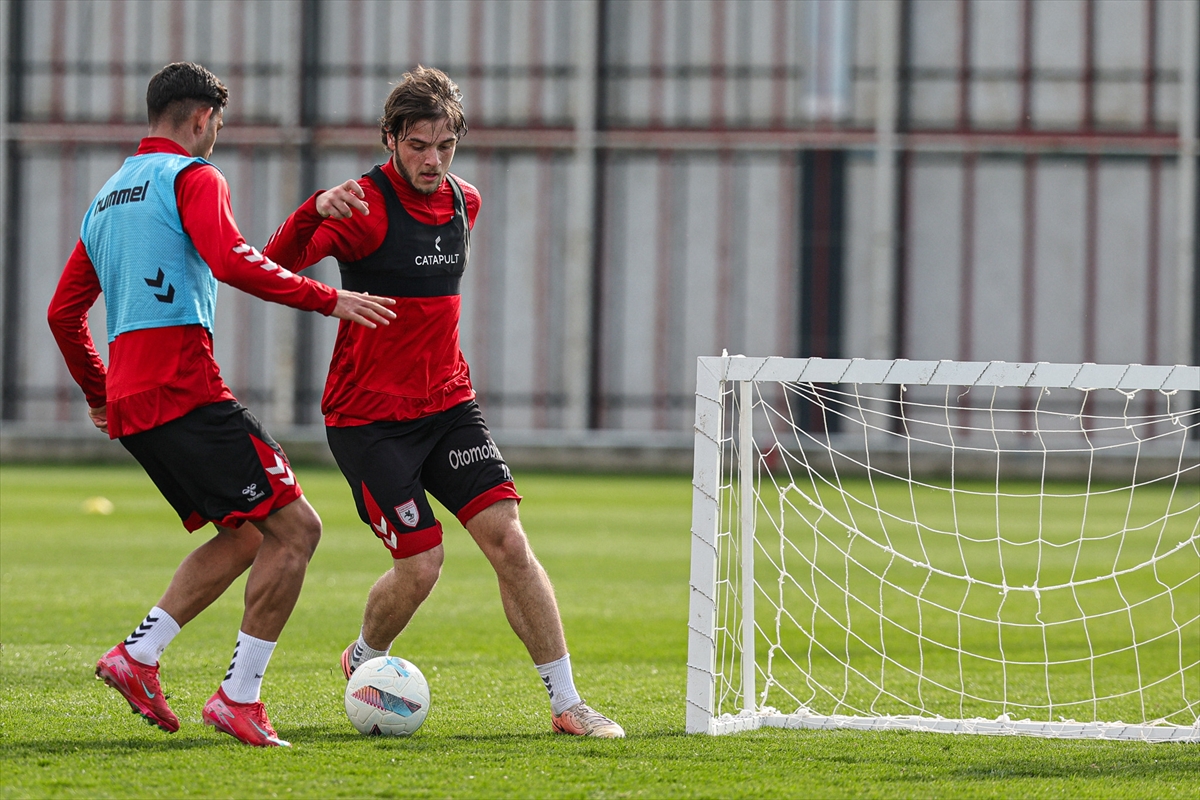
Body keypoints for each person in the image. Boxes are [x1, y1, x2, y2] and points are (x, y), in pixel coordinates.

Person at [263, 66, 624, 738]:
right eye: (419, 145)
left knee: (509, 543)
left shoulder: (467, 203)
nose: (433, 160)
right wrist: (311, 209)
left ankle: (568, 704)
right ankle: (365, 658)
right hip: (368, 421)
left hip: (450, 406)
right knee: (422, 562)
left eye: (445, 145)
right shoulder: (361, 207)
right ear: (392, 139)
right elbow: (271, 266)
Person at [46, 62, 396, 747]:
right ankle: (240, 697)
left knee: (244, 533)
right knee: (298, 532)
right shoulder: (193, 177)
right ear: (203, 117)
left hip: (134, 403)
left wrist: (99, 393)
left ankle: (138, 656)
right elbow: (234, 260)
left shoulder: (107, 196)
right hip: (184, 387)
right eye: (219, 124)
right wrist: (331, 299)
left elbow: (63, 315)